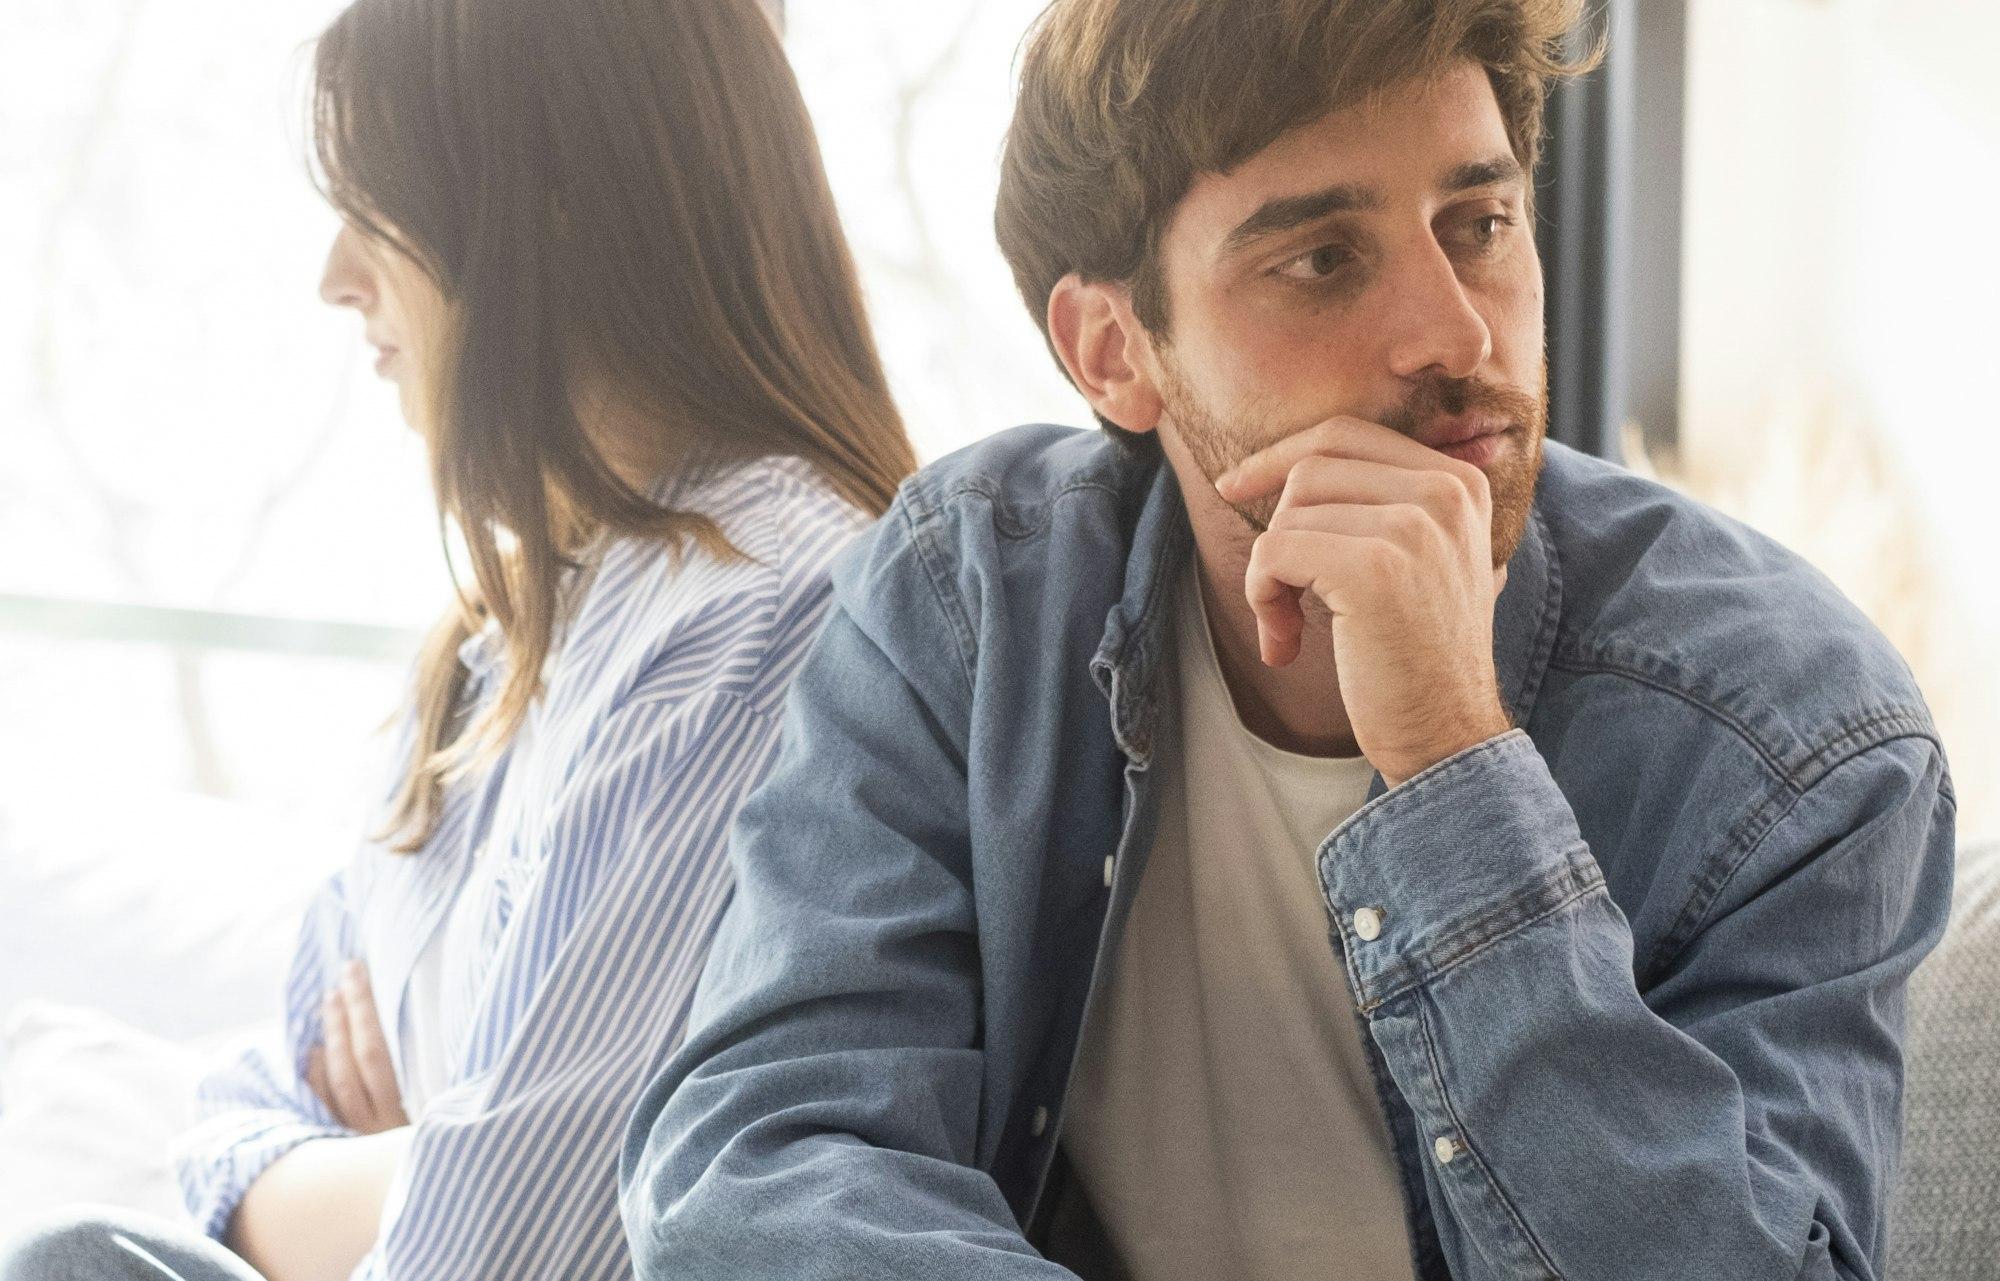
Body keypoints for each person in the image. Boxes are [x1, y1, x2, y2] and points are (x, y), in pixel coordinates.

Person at [618, 0, 1956, 1277]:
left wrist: (1453, 763)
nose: (1455, 329)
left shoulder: (1796, 729)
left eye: (1479, 223)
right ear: (1111, 351)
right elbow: (757, 1168)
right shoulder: (975, 600)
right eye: (1322, 259)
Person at [0, 0, 913, 1277]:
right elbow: (243, 1102)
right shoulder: (499, 642)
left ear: (537, 212)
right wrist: (418, 1161)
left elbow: (496, 1249)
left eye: (378, 206)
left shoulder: (763, 617)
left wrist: (421, 1163)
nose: (334, 274)